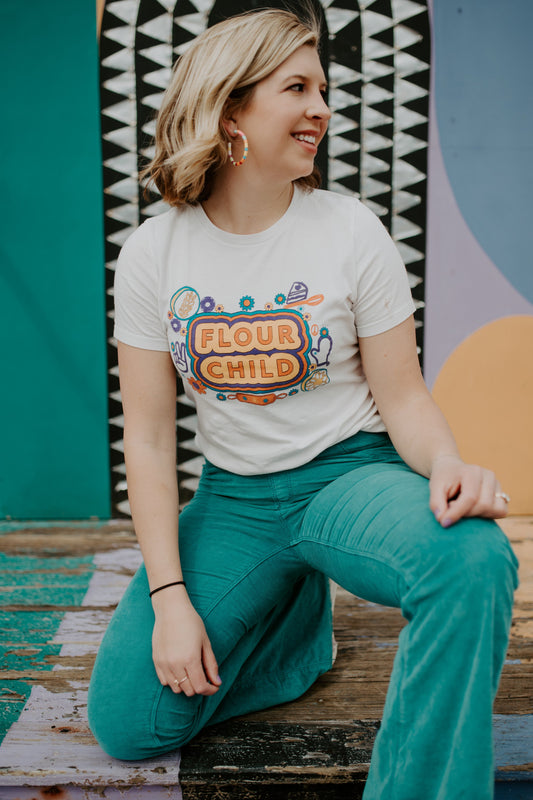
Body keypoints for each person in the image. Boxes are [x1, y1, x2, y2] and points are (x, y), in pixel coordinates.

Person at [87, 8, 518, 799]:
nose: (322, 107)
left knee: (474, 560)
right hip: (234, 500)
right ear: (229, 112)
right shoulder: (154, 251)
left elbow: (404, 397)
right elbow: (147, 442)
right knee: (129, 723)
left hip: (348, 479)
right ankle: (292, 642)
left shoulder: (350, 230)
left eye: (323, 87)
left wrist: (448, 463)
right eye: (297, 87)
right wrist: (171, 599)